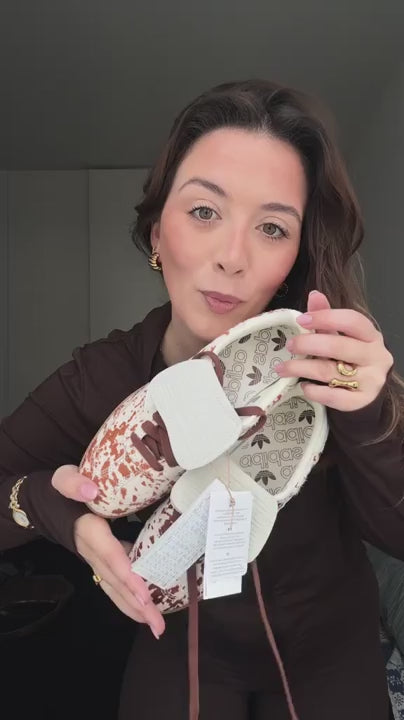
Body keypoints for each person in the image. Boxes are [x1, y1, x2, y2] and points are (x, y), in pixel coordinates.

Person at [1, 78, 403, 720]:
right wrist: (52, 506)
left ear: (295, 255)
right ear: (157, 233)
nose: (232, 257)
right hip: (181, 644)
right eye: (205, 212)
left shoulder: (334, 366)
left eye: (272, 227)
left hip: (331, 646)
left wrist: (369, 411)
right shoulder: (103, 375)